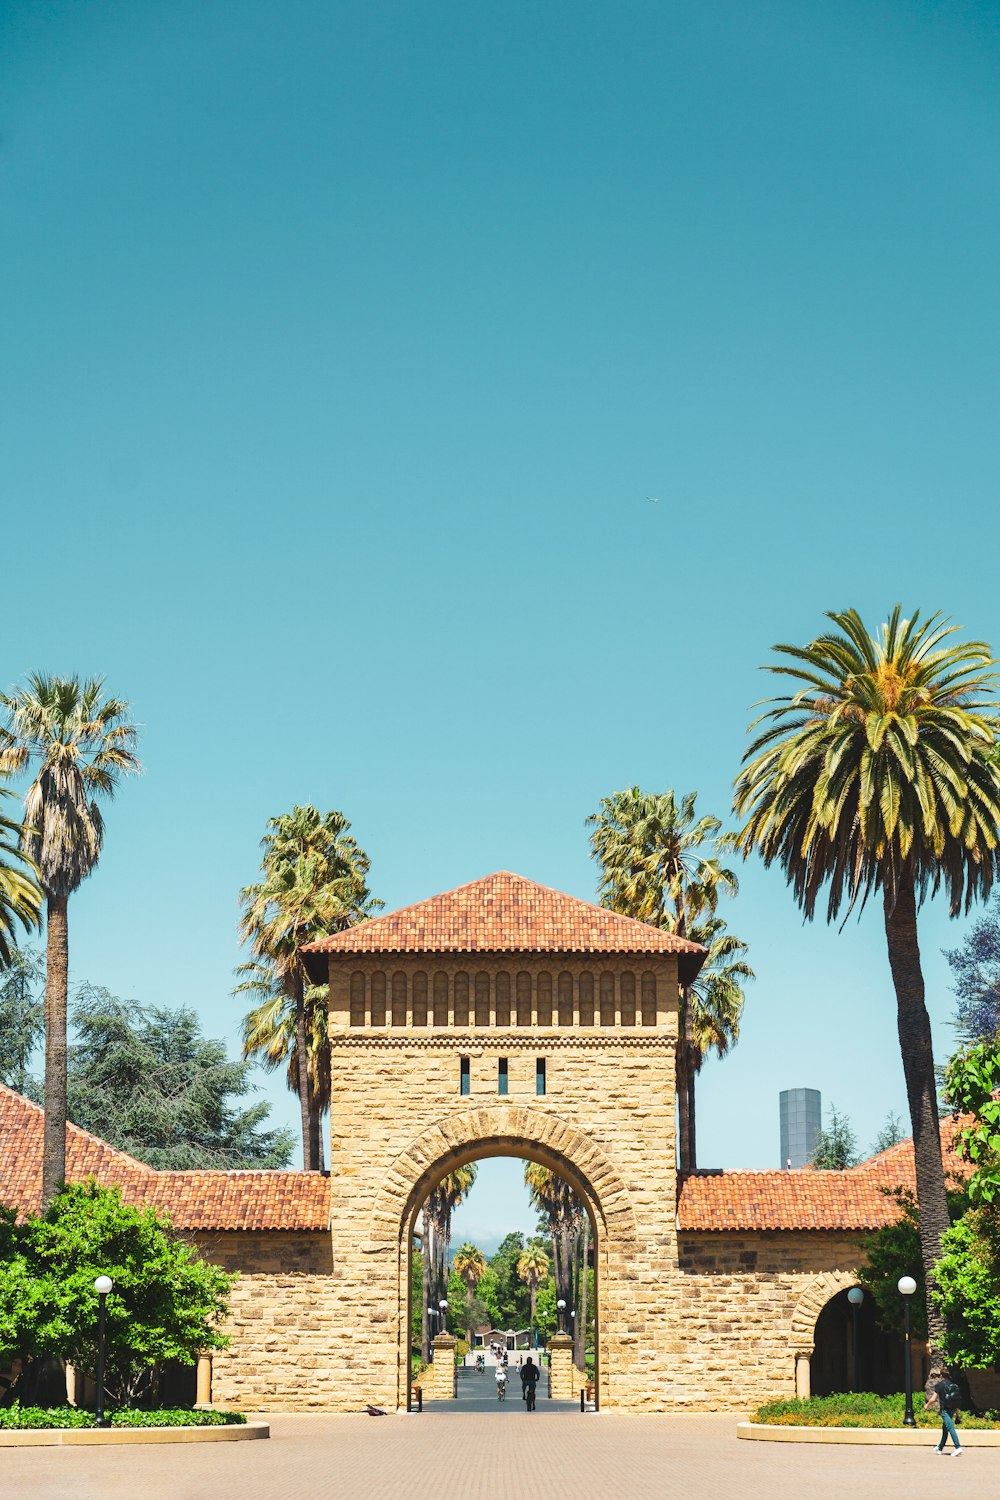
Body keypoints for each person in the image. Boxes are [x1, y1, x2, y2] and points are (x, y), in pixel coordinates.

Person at [925, 1371, 963, 1456]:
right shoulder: (953, 1385)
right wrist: (957, 1414)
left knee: (950, 1428)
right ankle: (940, 1448)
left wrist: (927, 1405)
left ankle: (958, 1447)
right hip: (952, 1409)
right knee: (945, 1428)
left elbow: (934, 1398)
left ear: (941, 1376)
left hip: (944, 1410)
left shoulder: (940, 1385)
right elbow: (956, 1400)